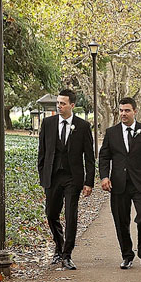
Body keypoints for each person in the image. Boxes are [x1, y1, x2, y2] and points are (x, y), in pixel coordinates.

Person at [99, 97, 141, 269]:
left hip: (140, 184)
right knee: (121, 221)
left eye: (127, 110)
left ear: (135, 111)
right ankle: (127, 255)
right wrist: (104, 177)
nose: (123, 114)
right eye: (121, 110)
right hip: (118, 185)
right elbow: (104, 157)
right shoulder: (111, 133)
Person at [37, 88, 94, 270]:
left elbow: (89, 157)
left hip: (72, 177)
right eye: (58, 103)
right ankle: (58, 246)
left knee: (71, 216)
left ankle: (67, 254)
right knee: (51, 214)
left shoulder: (83, 126)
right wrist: (42, 176)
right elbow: (42, 152)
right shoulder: (48, 123)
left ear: (72, 105)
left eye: (63, 103)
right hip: (53, 177)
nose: (59, 106)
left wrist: (88, 182)